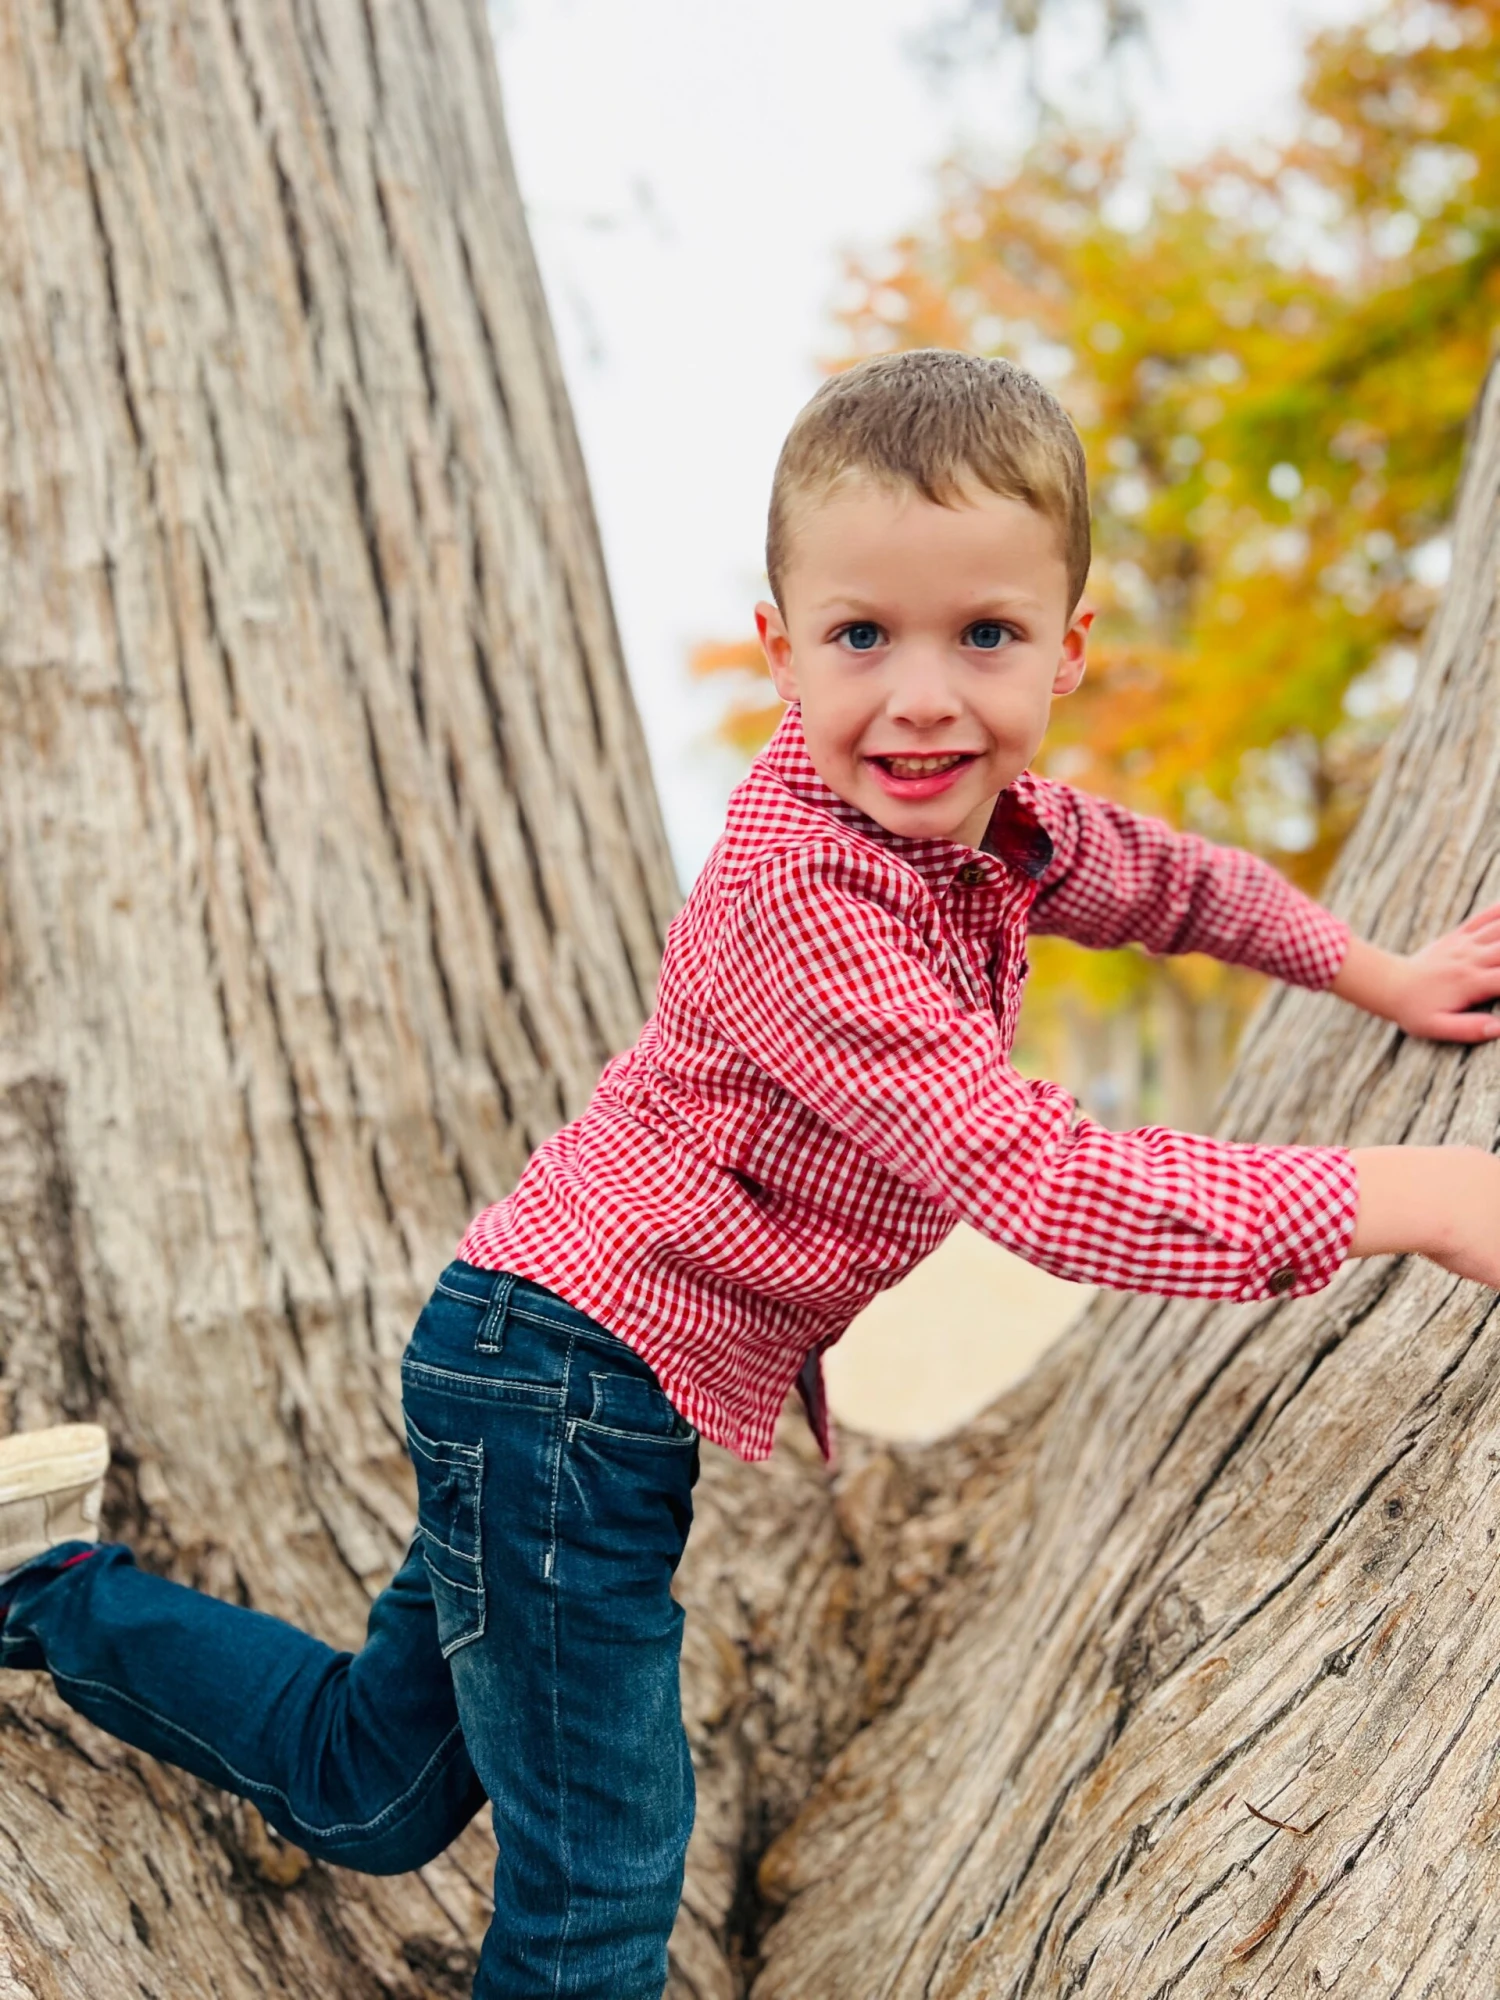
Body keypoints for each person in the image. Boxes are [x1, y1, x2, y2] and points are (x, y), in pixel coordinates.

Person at [3, 350, 1499, 1999]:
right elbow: (1047, 1183)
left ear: (1067, 650)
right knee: (597, 1898)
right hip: (560, 1394)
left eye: (983, 636)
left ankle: (53, 1598)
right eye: (863, 637)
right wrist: (1415, 1199)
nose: (921, 696)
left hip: (535, 1364)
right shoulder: (809, 898)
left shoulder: (986, 832)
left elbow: (1169, 880)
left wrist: (1383, 972)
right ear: (782, 644)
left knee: (375, 1781)